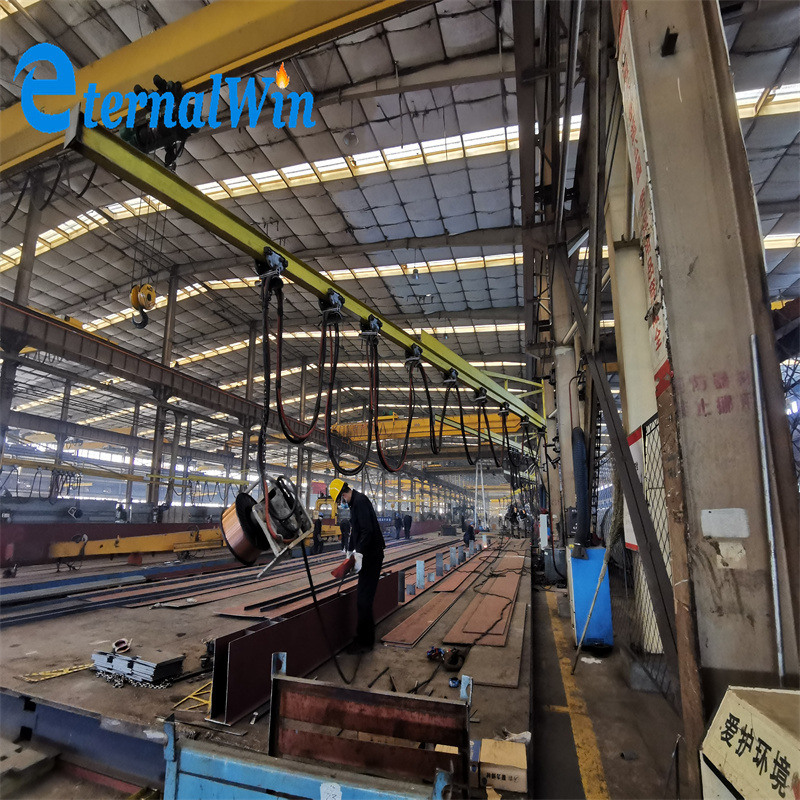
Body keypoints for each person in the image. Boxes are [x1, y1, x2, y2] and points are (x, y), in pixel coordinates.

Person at [329, 478, 385, 654]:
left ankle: (365, 642)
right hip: (368, 555)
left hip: (371, 556)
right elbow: (357, 529)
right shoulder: (356, 503)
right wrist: (350, 550)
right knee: (362, 598)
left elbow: (368, 530)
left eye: (340, 500)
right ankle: (363, 637)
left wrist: (359, 552)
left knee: (363, 600)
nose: (341, 504)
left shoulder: (360, 502)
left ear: (342, 495)